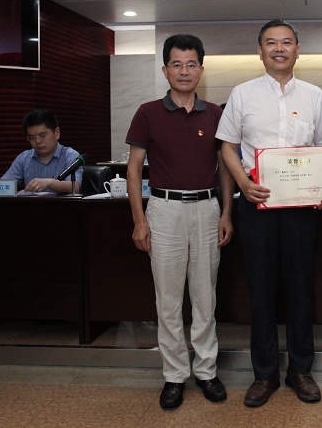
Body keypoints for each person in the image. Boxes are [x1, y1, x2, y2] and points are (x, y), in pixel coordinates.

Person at [216, 19, 322, 408]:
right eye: (271, 42)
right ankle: (264, 374)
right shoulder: (242, 93)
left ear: (298, 50)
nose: (279, 48)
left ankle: (300, 370)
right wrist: (243, 184)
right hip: (257, 205)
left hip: (302, 209)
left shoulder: (314, 95)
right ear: (260, 50)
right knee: (261, 291)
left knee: (300, 289)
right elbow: (227, 146)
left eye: (286, 42)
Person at [125, 34, 234, 410]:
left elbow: (224, 168)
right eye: (177, 64)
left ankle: (206, 371)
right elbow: (134, 169)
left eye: (191, 64)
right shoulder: (148, 112)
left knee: (205, 296)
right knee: (169, 300)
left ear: (201, 70)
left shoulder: (216, 113)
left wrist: (226, 213)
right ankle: (174, 376)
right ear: (165, 70)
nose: (184, 71)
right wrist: (139, 220)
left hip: (206, 209)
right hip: (164, 210)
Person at [2, 108, 83, 194]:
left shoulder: (70, 155)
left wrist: (49, 182)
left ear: (56, 133)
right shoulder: (24, 158)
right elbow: (3, 185)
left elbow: (75, 187)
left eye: (43, 136)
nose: (37, 141)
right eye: (32, 138)